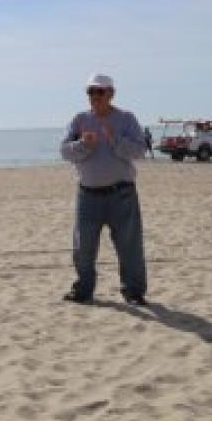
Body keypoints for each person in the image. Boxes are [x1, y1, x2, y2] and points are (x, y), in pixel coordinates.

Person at [60, 73, 148, 305]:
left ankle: (134, 293)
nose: (95, 97)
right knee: (84, 249)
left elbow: (140, 151)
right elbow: (64, 152)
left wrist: (115, 140)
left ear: (111, 93)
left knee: (130, 247)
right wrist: (83, 145)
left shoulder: (127, 119)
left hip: (122, 194)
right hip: (88, 195)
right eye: (90, 92)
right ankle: (83, 290)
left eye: (100, 92)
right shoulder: (79, 120)